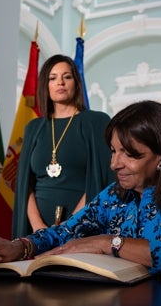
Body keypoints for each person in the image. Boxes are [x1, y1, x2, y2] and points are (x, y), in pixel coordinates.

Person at [0, 100, 161, 278]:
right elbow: (64, 233)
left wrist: (108, 243)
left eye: (129, 154)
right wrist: (18, 247)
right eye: (113, 151)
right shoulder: (114, 196)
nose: (114, 164)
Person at [13, 54, 114, 236]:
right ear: (46, 85)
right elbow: (24, 185)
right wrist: (39, 227)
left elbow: (103, 181)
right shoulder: (34, 127)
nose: (60, 82)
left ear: (76, 82)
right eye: (53, 78)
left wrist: (69, 225)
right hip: (36, 231)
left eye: (67, 77)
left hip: (82, 227)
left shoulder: (96, 122)